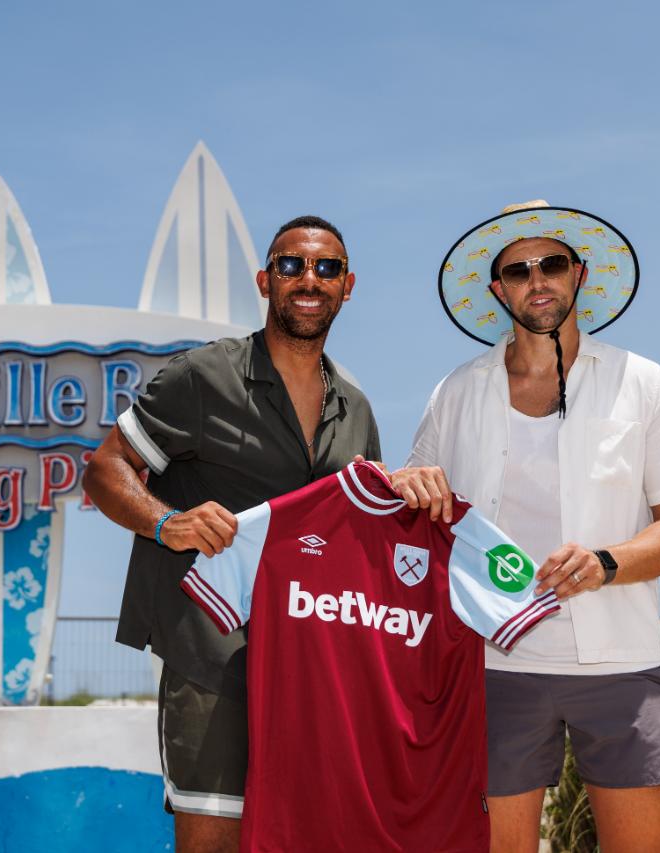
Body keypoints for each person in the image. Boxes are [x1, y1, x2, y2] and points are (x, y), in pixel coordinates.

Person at [83, 215, 447, 853]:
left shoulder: (355, 410)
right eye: (291, 265)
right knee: (214, 840)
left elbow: (361, 533)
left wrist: (407, 493)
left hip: (318, 665)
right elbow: (105, 468)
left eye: (326, 268)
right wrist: (166, 523)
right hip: (212, 656)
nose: (309, 279)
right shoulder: (202, 376)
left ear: (348, 286)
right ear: (265, 280)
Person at [407, 200, 660, 852]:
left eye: (551, 263)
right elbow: (413, 515)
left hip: (624, 665)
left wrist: (605, 562)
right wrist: (403, 483)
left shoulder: (642, 381)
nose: (536, 280)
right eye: (518, 270)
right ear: (498, 290)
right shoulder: (455, 392)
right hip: (491, 664)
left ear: (579, 273)